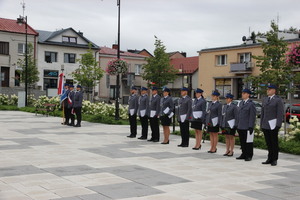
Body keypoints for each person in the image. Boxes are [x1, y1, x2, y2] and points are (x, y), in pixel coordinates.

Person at [261, 84, 284, 166]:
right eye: (268, 89)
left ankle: (274, 159)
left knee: (274, 142)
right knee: (268, 143)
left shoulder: (278, 100)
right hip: (266, 124)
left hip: (273, 125)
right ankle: (269, 158)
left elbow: (280, 113)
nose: (268, 90)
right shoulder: (265, 99)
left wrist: (278, 124)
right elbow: (262, 113)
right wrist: (261, 124)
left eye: (270, 89)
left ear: (274, 90)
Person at [236, 89, 256, 161]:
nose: (242, 94)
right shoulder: (241, 103)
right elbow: (238, 114)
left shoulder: (251, 104)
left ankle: (249, 155)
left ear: (248, 95)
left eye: (244, 93)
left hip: (247, 126)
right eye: (242, 93)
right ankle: (243, 153)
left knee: (248, 142)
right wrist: (237, 124)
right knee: (242, 141)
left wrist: (251, 126)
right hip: (240, 125)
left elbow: (252, 116)